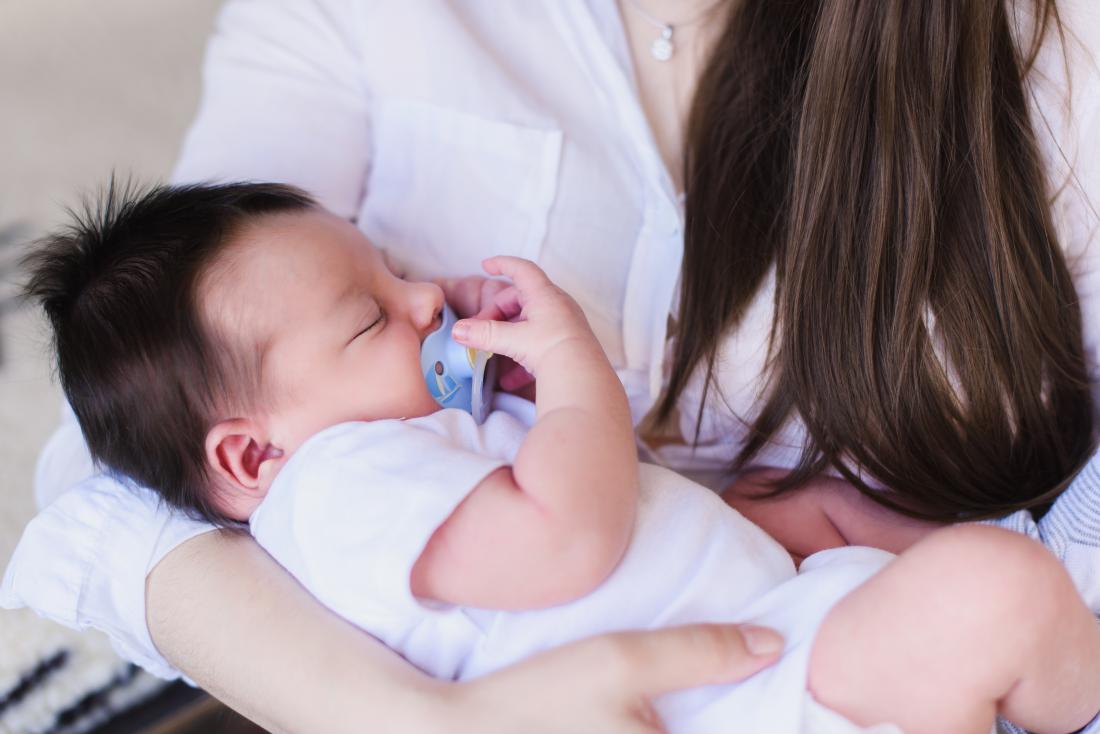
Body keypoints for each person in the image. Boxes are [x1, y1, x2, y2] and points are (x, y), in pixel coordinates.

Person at [2, 0, 1099, 731]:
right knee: (998, 594)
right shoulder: (343, 485)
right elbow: (108, 485)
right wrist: (414, 723)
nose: (424, 294)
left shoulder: (1046, 49)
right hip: (733, 690)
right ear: (251, 450)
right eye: (369, 312)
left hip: (776, 610)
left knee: (985, 575)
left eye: (392, 265)